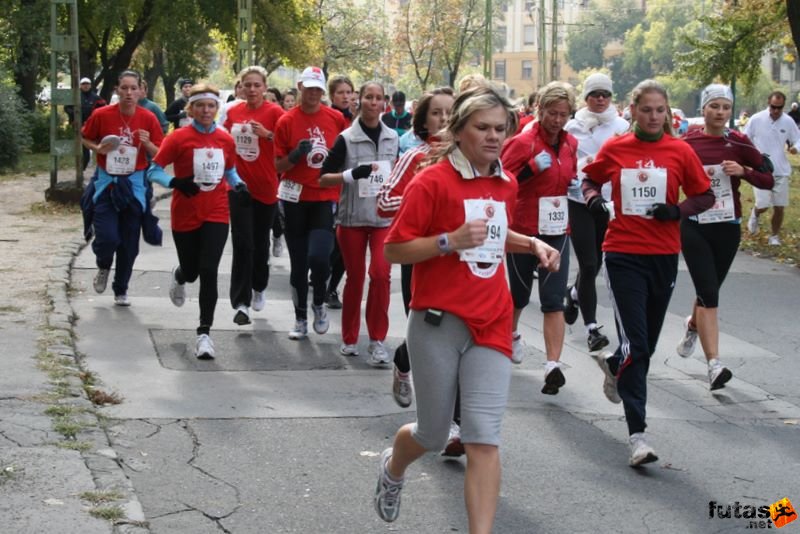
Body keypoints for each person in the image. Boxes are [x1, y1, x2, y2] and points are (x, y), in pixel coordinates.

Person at [374, 85, 560, 531]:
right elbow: (394, 250)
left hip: (493, 320)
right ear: (458, 131)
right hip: (438, 320)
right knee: (434, 434)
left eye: (500, 128)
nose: (493, 137)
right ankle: (392, 468)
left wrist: (530, 241)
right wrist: (448, 241)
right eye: (482, 128)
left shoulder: (506, 181)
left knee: (483, 439)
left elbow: (493, 232)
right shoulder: (431, 181)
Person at [582, 79, 714, 467]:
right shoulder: (617, 148)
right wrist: (593, 202)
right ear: (633, 110)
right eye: (646, 109)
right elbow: (590, 178)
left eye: (659, 110)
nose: (653, 116)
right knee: (637, 347)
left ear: (667, 112)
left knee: (645, 348)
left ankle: (612, 363)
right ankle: (638, 436)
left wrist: (678, 211)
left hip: (663, 255)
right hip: (623, 254)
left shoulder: (679, 151)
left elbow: (705, 194)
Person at [377, 87, 460, 451]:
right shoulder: (414, 156)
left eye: (449, 113)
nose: (443, 119)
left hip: (463, 263)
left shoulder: (469, 159)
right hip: (421, 256)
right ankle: (403, 358)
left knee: (459, 339)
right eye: (436, 113)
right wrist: (423, 202)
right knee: (427, 332)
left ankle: (455, 425)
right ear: (424, 120)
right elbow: (385, 202)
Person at [677, 84, 774, 389]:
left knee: (710, 290)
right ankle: (714, 366)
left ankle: (693, 325)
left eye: (725, 107)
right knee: (709, 293)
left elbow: (767, 178)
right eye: (714, 106)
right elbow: (670, 174)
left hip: (727, 225)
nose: (720, 113)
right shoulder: (688, 142)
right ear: (703, 109)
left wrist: (743, 171)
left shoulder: (738, 141)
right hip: (694, 225)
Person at [146, 84, 249, 359]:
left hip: (216, 212)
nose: (206, 110)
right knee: (192, 271)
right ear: (191, 109)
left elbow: (230, 170)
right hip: (186, 213)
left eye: (211, 106)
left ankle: (204, 333)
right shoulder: (178, 138)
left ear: (217, 109)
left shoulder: (225, 139)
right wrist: (175, 181)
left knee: (209, 269)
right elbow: (152, 171)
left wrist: (238, 185)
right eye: (200, 105)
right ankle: (179, 276)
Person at [500, 81, 577, 395]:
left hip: (557, 228)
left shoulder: (571, 143)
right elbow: (498, 182)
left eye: (563, 114)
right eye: (551, 113)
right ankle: (512, 336)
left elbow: (569, 176)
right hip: (523, 228)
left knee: (553, 298)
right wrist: (529, 171)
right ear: (538, 109)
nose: (557, 120)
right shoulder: (522, 142)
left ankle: (552, 366)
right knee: (518, 295)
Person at [319, 81, 398, 364]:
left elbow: (397, 177)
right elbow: (323, 177)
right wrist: (352, 174)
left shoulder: (392, 138)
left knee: (380, 275)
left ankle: (377, 340)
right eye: (368, 97)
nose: (373, 103)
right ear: (358, 101)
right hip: (351, 219)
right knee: (355, 278)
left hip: (383, 219)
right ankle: (349, 338)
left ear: (384, 103)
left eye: (378, 98)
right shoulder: (346, 138)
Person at [274, 66, 347, 340]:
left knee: (319, 257)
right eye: (309, 87)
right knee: (299, 262)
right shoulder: (286, 121)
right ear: (300, 87)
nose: (313, 93)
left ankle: (318, 302)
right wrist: (294, 156)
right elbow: (277, 165)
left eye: (318, 88)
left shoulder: (336, 119)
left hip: (324, 197)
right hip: (294, 198)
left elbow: (346, 153)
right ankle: (300, 318)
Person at [80, 70, 164, 306]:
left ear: (140, 91)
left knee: (129, 243)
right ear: (117, 90)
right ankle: (104, 265)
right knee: (107, 237)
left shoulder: (148, 118)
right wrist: (97, 148)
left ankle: (121, 289)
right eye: (124, 88)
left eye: (133, 88)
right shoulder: (101, 114)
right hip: (107, 182)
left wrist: (147, 144)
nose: (128, 93)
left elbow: (161, 153)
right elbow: (85, 137)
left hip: (135, 184)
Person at [563, 73, 630, 352]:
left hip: (607, 202)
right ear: (586, 97)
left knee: (598, 262)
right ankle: (592, 328)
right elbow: (563, 157)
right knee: (589, 264)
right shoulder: (571, 126)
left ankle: (574, 292)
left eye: (606, 94)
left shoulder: (622, 126)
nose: (601, 99)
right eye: (595, 94)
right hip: (577, 199)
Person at [223, 66, 285, 325]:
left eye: (257, 85)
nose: (251, 90)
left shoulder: (275, 112)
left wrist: (267, 134)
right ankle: (241, 303)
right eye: (247, 85)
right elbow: (223, 139)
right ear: (240, 87)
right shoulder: (234, 111)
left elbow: (286, 144)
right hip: (238, 186)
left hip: (266, 187)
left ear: (265, 87)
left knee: (259, 244)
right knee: (242, 244)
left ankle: (260, 286)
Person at [743, 91, 800, 245]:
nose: (776, 111)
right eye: (773, 107)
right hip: (760, 168)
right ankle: (755, 213)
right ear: (768, 103)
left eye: (779, 108)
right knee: (763, 205)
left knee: (779, 206)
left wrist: (795, 147)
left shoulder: (788, 121)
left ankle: (774, 236)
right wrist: (749, 157)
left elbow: (797, 139)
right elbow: (745, 138)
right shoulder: (756, 119)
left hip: (781, 170)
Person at [324, 75, 357, 309]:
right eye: (341, 93)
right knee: (328, 244)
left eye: (349, 92)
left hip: (352, 189)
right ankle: (319, 274)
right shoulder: (329, 118)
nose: (346, 96)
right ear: (331, 96)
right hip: (330, 187)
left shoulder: (357, 120)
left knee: (344, 246)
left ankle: (331, 287)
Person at [66, 77, 107, 170]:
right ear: (80, 85)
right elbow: (67, 107)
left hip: (92, 125)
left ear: (90, 85)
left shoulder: (96, 97)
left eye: (87, 84)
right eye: (83, 84)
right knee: (81, 145)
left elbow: (104, 107)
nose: (85, 86)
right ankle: (81, 167)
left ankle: (87, 166)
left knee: (89, 146)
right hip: (78, 125)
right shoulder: (75, 96)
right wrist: (73, 114)